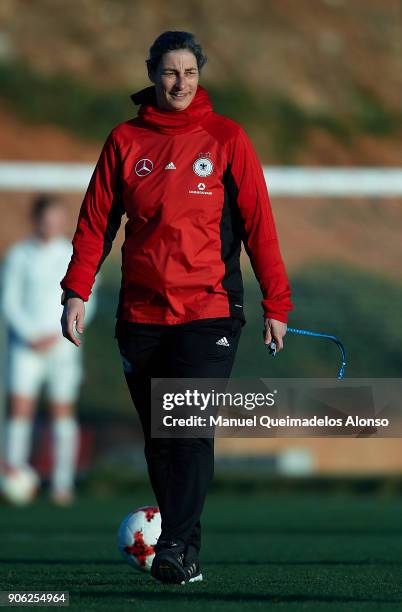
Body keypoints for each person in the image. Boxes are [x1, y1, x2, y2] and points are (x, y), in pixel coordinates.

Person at [60, 31, 292, 582]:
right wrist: (76, 290)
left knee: (186, 427)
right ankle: (184, 550)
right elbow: (96, 223)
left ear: (200, 75)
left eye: (189, 72)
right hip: (140, 317)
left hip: (208, 311)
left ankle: (178, 547)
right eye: (169, 72)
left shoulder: (226, 137)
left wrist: (275, 302)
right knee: (160, 442)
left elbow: (259, 225)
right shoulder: (125, 141)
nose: (180, 83)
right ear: (152, 74)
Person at [1, 194, 97, 505]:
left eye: (55, 217)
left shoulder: (71, 254)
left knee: (62, 410)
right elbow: (9, 302)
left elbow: (86, 301)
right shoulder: (19, 255)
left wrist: (61, 333)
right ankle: (13, 478)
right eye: (45, 217)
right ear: (36, 219)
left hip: (63, 345)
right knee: (20, 409)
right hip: (26, 347)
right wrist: (31, 335)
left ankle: (62, 484)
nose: (50, 223)